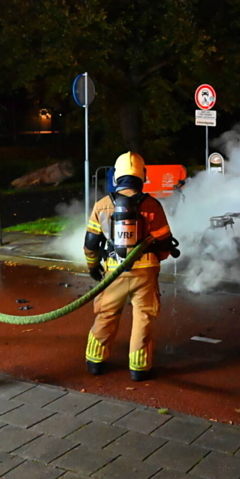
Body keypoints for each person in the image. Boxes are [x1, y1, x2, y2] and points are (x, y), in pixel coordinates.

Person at [83, 151, 176, 381]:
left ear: (117, 176)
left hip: (113, 272)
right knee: (143, 317)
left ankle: (96, 361)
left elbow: (91, 243)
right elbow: (164, 241)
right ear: (142, 177)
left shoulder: (102, 205)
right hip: (145, 273)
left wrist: (93, 266)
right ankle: (139, 368)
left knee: (106, 314)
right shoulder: (152, 205)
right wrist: (157, 260)